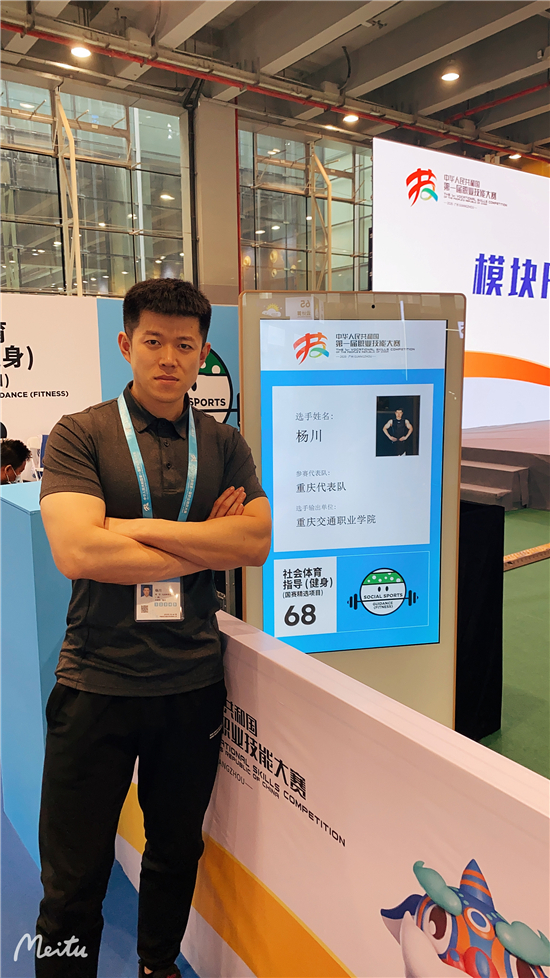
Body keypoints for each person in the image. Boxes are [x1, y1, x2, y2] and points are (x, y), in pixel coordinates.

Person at [37, 278, 272, 978]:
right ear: (126, 344)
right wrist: (204, 542)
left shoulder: (224, 443)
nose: (169, 357)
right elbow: (78, 552)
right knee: (72, 877)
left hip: (191, 683)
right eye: (153, 341)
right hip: (96, 681)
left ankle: (156, 965)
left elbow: (255, 542)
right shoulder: (82, 433)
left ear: (203, 354)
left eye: (185, 345)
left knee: (176, 851)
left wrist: (128, 528)